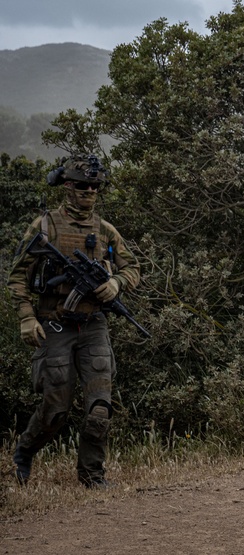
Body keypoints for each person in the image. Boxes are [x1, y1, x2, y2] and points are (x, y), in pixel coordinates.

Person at [8, 154, 140, 488]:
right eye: (83, 185)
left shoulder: (106, 231)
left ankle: (92, 475)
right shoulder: (45, 226)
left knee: (100, 408)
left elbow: (132, 268)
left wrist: (116, 283)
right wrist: (26, 317)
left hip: (93, 324)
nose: (89, 191)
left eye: (95, 186)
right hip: (53, 323)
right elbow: (17, 275)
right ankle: (25, 450)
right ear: (67, 186)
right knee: (55, 409)